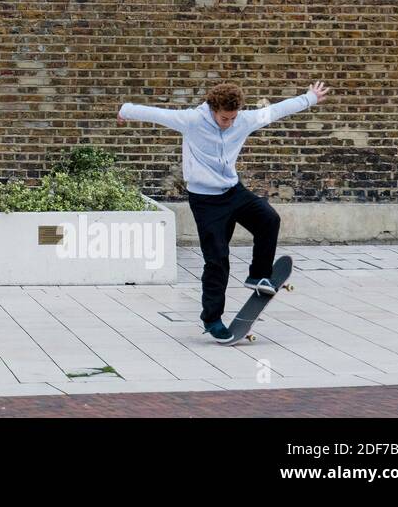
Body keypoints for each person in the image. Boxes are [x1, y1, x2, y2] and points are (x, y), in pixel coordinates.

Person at [117, 81, 330, 343]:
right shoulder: (192, 120)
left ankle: (258, 274)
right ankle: (213, 319)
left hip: (233, 192)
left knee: (268, 219)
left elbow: (275, 111)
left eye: (232, 118)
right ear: (212, 109)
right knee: (217, 260)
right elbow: (156, 114)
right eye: (223, 118)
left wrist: (309, 98)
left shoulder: (243, 120)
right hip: (205, 201)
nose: (228, 123)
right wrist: (124, 110)